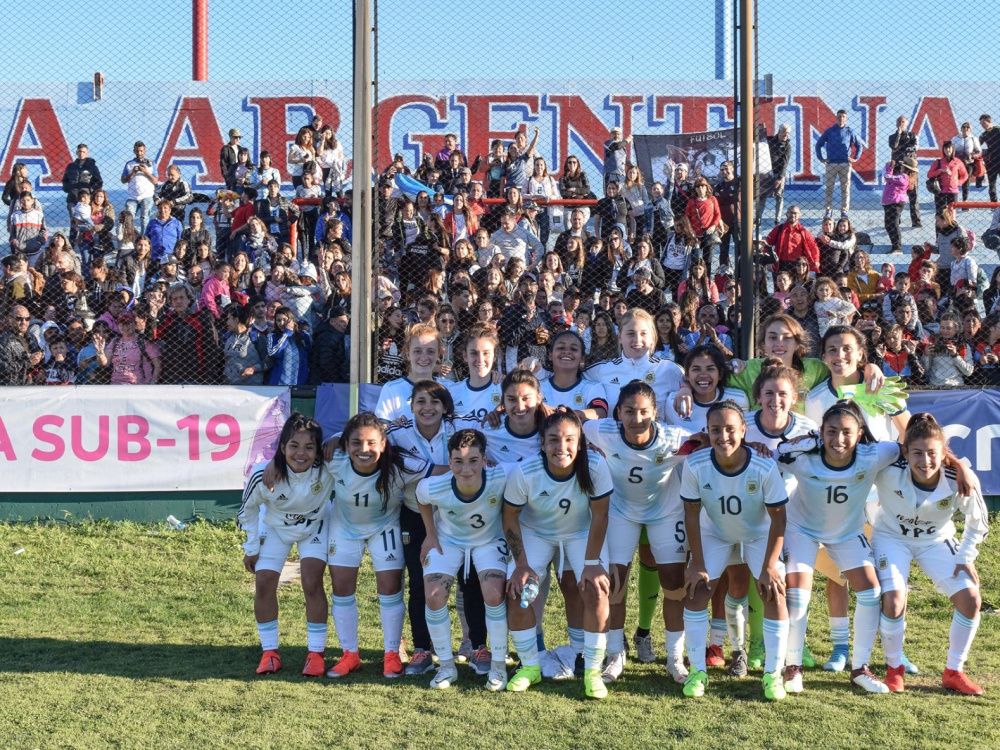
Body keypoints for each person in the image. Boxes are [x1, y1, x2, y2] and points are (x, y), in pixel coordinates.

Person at [776, 400, 903, 694]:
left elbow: (905, 445)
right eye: (831, 432)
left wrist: (958, 466)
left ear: (860, 433)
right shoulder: (802, 456)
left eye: (847, 432)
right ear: (821, 432)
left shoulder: (875, 454)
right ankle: (791, 666)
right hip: (802, 530)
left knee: (871, 592)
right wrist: (798, 443)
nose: (839, 439)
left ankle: (860, 668)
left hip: (847, 533)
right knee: (797, 597)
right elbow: (773, 454)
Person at [679, 401, 789, 701]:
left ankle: (772, 674)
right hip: (715, 532)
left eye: (730, 429)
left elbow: (779, 518)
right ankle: (698, 672)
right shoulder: (696, 464)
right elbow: (691, 513)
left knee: (774, 592)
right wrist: (696, 562)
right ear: (708, 432)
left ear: (743, 430)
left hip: (758, 535)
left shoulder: (764, 466)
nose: (723, 436)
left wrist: (769, 567)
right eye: (716, 430)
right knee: (697, 590)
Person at [582, 381, 690, 682]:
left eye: (644, 411)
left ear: (655, 412)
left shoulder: (673, 436)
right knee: (613, 583)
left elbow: (708, 441)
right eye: (629, 411)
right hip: (620, 512)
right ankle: (616, 654)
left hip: (665, 512)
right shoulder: (602, 430)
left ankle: (675, 657)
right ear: (618, 412)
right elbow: (573, 424)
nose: (637, 418)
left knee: (674, 584)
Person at [503, 409, 614, 699]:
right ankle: (530, 667)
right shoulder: (526, 471)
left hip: (580, 533)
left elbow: (600, 516)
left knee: (596, 590)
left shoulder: (596, 466)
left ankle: (591, 671)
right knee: (519, 592)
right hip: (535, 533)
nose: (561, 447)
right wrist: (522, 564)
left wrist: (591, 564)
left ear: (580, 443)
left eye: (569, 440)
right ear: (542, 443)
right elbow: (510, 517)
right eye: (553, 439)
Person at [875, 414, 989, 694]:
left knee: (971, 599)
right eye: (917, 453)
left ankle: (954, 671)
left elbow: (979, 521)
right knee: (894, 599)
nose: (924, 461)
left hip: (936, 540)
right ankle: (894, 669)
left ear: (943, 452)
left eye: (932, 453)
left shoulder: (958, 478)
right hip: (890, 537)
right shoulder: (888, 466)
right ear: (905, 451)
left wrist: (965, 557)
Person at [321, 413, 435, 679]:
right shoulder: (334, 460)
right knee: (342, 589)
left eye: (371, 443)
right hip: (344, 528)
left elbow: (438, 470)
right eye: (356, 443)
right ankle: (349, 655)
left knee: (390, 588)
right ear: (345, 445)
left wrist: (481, 468)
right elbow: (297, 454)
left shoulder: (400, 464)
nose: (364, 450)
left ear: (383, 444)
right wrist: (271, 468)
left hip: (385, 528)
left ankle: (391, 655)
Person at [238, 413, 334, 676]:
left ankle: (315, 654)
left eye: (309, 447)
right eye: (293, 446)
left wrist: (335, 440)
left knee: (312, 582)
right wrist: (251, 548)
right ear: (282, 448)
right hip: (275, 528)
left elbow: (351, 438)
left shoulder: (328, 467)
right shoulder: (263, 474)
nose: (301, 453)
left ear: (318, 449)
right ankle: (270, 653)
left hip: (315, 526)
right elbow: (247, 512)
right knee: (264, 581)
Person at [416, 429, 511, 691]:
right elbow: (420, 497)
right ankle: (446, 666)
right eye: (458, 461)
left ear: (484, 459)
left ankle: (498, 667)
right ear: (450, 460)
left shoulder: (501, 475)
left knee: (493, 594)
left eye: (472, 461)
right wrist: (430, 534)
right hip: (448, 541)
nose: (466, 468)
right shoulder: (435, 485)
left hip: (488, 541)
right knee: (434, 595)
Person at [93, 309, 161, 384]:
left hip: (139, 386)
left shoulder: (144, 341)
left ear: (135, 324)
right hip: (116, 384)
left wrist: (153, 384)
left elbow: (158, 365)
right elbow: (104, 363)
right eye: (122, 324)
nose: (125, 327)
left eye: (128, 323)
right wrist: (100, 351)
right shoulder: (115, 341)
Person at [815, 109, 863, 216]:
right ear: (836, 118)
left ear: (846, 118)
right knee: (829, 188)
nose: (841, 119)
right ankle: (828, 210)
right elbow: (818, 144)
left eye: (843, 117)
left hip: (845, 164)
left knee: (845, 188)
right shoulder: (830, 131)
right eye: (839, 117)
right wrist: (821, 158)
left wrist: (855, 158)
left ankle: (844, 210)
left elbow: (859, 145)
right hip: (831, 163)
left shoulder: (850, 131)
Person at [765, 206, 819, 278]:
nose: (793, 215)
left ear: (800, 215)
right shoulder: (778, 229)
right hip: (780, 264)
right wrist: (769, 261)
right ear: (786, 214)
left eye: (795, 213)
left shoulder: (803, 231)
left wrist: (816, 260)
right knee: (779, 287)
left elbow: (814, 246)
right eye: (790, 212)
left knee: (796, 288)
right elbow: (766, 244)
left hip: (797, 266)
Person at [888, 116, 921, 228]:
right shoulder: (892, 137)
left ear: (907, 123)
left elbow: (914, 148)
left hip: (910, 170)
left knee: (913, 195)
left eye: (902, 122)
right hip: (897, 169)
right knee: (896, 196)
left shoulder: (913, 135)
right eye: (898, 121)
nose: (900, 123)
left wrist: (901, 150)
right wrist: (898, 133)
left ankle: (916, 221)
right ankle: (897, 220)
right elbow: (894, 145)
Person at [757, 124, 792, 226]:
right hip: (765, 174)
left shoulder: (787, 146)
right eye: (784, 133)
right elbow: (759, 142)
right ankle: (758, 219)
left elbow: (785, 163)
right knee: (762, 196)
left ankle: (777, 219)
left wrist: (780, 178)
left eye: (788, 134)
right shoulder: (769, 140)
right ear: (779, 131)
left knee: (779, 196)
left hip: (778, 174)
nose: (786, 136)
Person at [121, 141, 158, 235]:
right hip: (132, 196)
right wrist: (133, 173)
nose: (139, 153)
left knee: (144, 218)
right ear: (134, 151)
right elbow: (123, 180)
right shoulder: (129, 164)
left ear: (145, 151)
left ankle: (143, 239)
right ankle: (129, 239)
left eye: (141, 151)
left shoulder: (151, 164)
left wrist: (145, 171)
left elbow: (155, 180)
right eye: (137, 151)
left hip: (147, 196)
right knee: (128, 218)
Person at [882, 159, 917, 255]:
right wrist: (890, 168)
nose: (901, 167)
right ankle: (895, 247)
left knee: (893, 224)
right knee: (888, 225)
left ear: (906, 168)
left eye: (902, 166)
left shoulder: (904, 177)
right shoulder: (901, 176)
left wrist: (887, 168)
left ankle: (897, 248)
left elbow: (888, 177)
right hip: (890, 201)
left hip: (896, 202)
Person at [61, 144, 103, 216]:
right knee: (74, 220)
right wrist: (68, 188)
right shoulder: (71, 166)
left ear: (87, 153)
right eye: (80, 151)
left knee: (85, 220)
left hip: (86, 200)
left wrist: (90, 191)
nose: (81, 153)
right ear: (77, 152)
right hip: (72, 198)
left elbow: (99, 182)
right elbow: (65, 180)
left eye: (83, 152)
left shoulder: (92, 167)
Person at [927, 142, 968, 213]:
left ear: (953, 149)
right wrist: (940, 171)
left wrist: (958, 182)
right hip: (940, 191)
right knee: (940, 214)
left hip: (953, 191)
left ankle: (951, 224)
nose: (947, 150)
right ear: (943, 150)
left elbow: (965, 175)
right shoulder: (938, 162)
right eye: (945, 148)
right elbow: (929, 174)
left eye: (949, 148)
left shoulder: (957, 161)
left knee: (952, 213)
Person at [952, 123, 982, 204]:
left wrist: (973, 156)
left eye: (968, 127)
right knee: (954, 181)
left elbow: (979, 152)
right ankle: (954, 201)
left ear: (971, 129)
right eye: (964, 127)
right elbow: (950, 151)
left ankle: (965, 201)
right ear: (961, 129)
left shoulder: (973, 139)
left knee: (966, 183)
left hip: (969, 164)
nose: (966, 129)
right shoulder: (955, 139)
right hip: (957, 164)